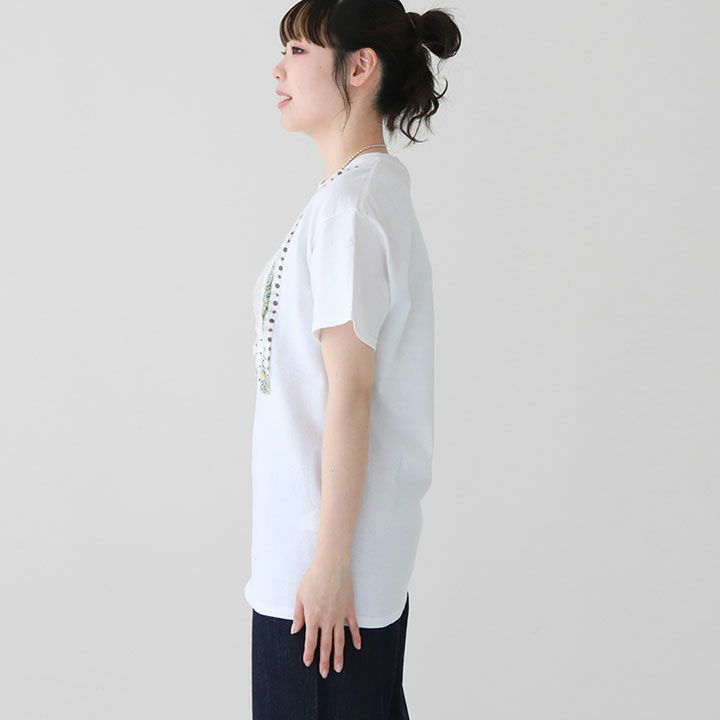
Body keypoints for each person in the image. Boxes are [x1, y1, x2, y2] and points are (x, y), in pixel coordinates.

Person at [245, 1, 461, 716]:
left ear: (360, 66)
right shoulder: (354, 199)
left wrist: (331, 566)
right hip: (327, 570)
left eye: (299, 51)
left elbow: (352, 392)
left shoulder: (351, 210)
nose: (279, 69)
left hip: (322, 584)